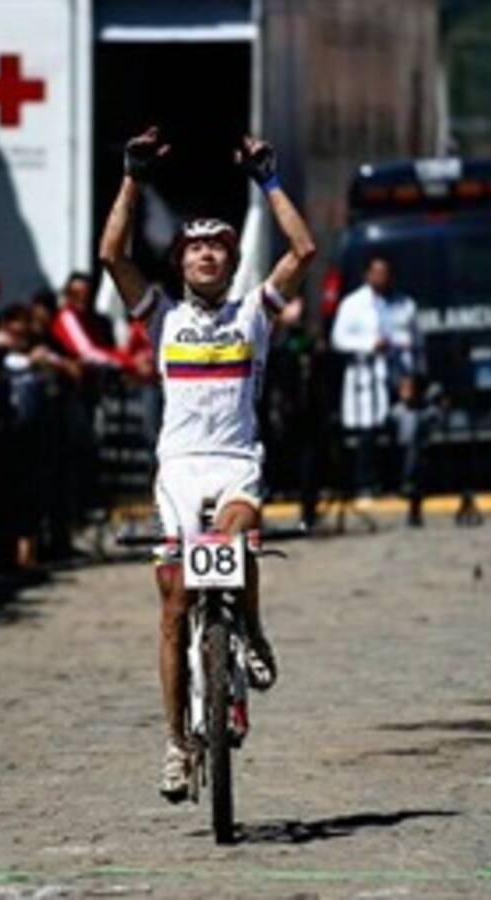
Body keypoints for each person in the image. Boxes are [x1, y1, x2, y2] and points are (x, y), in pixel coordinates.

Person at [99, 126, 315, 800]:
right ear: (180, 259)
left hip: (236, 463)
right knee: (172, 606)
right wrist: (132, 177)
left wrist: (270, 180)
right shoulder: (161, 317)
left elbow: (303, 249)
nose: (207, 257)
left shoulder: (255, 312)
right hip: (179, 469)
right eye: (195, 248)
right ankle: (175, 742)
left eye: (218, 248)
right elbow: (111, 253)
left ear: (230, 259)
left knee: (237, 533)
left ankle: (249, 628)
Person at [331, 255, 394, 497]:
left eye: (385, 272)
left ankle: (387, 481)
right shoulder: (352, 304)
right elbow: (339, 339)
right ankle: (364, 483)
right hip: (364, 376)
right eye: (377, 272)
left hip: (390, 373)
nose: (382, 277)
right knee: (366, 433)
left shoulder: (396, 303)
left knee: (386, 431)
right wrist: (369, 344)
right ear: (367, 274)